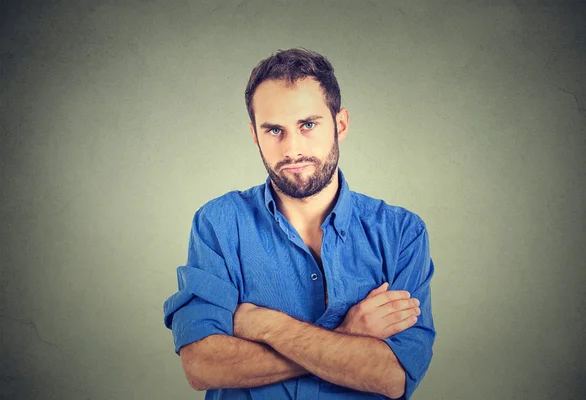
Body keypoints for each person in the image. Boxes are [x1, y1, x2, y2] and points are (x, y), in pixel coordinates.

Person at [163, 48, 436, 399]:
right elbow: (203, 365)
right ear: (254, 136)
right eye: (274, 130)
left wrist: (266, 325)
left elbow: (394, 375)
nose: (292, 149)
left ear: (340, 124)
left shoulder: (401, 233)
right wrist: (346, 332)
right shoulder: (218, 224)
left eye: (308, 125)